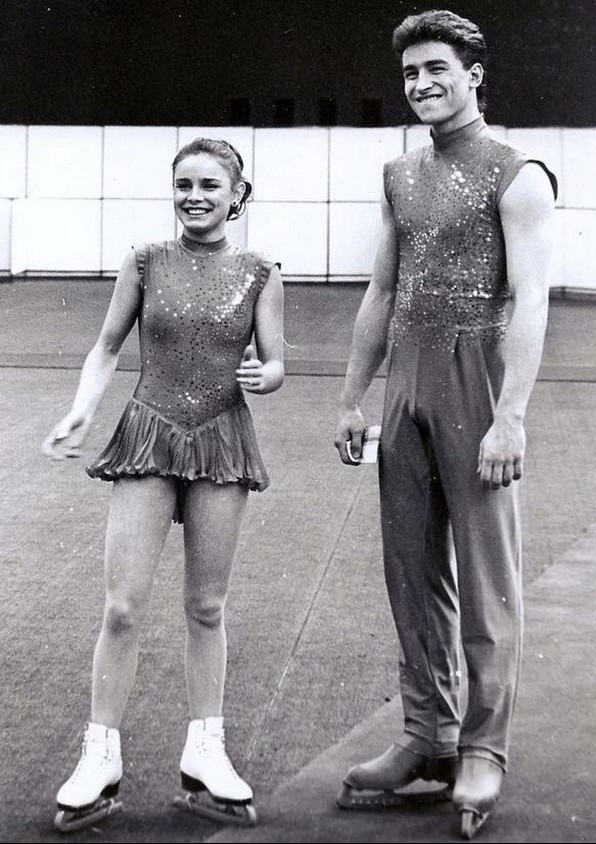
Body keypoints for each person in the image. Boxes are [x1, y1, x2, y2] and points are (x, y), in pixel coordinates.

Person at [334, 10, 556, 840]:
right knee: (410, 566)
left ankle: (483, 748)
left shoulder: (517, 174)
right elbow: (381, 292)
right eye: (410, 73)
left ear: (473, 75)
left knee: (488, 573)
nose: (421, 83)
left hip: (476, 377)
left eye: (436, 68)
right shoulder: (400, 175)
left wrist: (511, 417)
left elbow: (530, 299)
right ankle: (428, 734)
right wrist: (352, 397)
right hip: (408, 377)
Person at [43, 137, 284, 831]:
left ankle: (206, 751)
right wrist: (83, 409)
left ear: (237, 195)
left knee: (207, 606)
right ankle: (99, 755)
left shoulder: (261, 273)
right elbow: (106, 347)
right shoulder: (145, 261)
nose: (194, 196)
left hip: (222, 438)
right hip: (148, 432)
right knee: (122, 606)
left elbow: (276, 362)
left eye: (210, 185)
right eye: (184, 185)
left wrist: (265, 375)